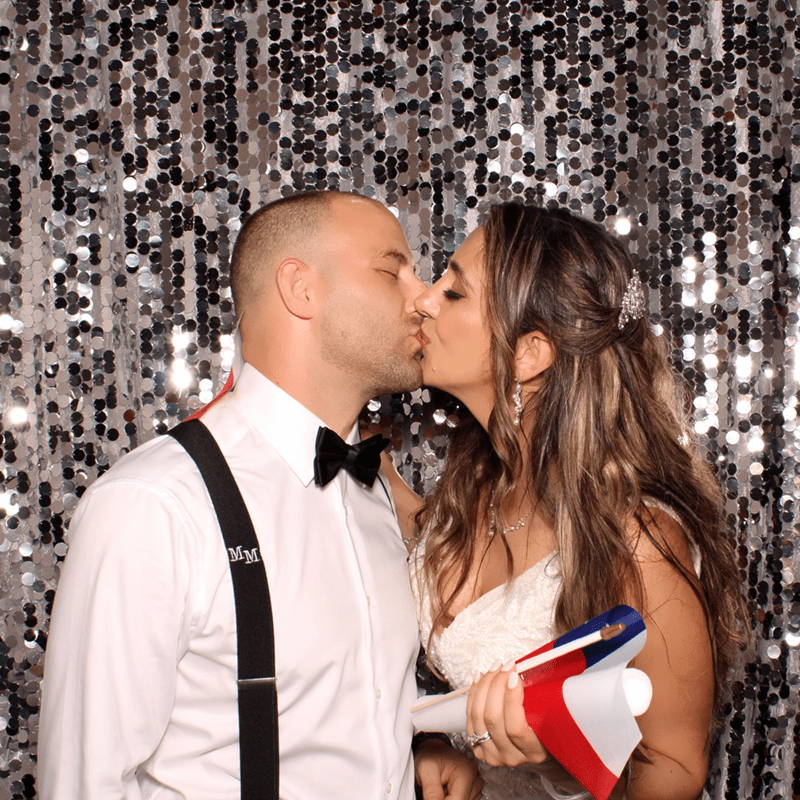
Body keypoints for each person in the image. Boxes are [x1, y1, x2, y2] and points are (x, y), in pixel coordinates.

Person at [39, 191, 482, 800]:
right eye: (393, 270)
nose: (424, 296)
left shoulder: (377, 490)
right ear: (300, 288)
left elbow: (349, 709)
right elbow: (83, 784)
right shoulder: (155, 508)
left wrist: (420, 746)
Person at [383, 203, 747, 800]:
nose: (424, 298)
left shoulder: (639, 540)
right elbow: (422, 540)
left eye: (455, 291)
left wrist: (558, 771)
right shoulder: (477, 485)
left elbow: (675, 768)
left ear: (528, 353)